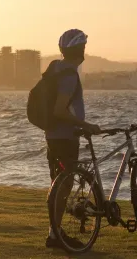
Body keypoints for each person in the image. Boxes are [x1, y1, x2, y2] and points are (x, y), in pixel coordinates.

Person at [45, 29, 100, 249]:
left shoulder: (56, 69)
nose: (85, 50)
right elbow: (60, 110)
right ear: (79, 49)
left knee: (59, 184)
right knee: (64, 185)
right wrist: (87, 126)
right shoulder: (68, 75)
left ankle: (54, 233)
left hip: (53, 135)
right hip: (65, 137)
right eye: (83, 46)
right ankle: (55, 235)